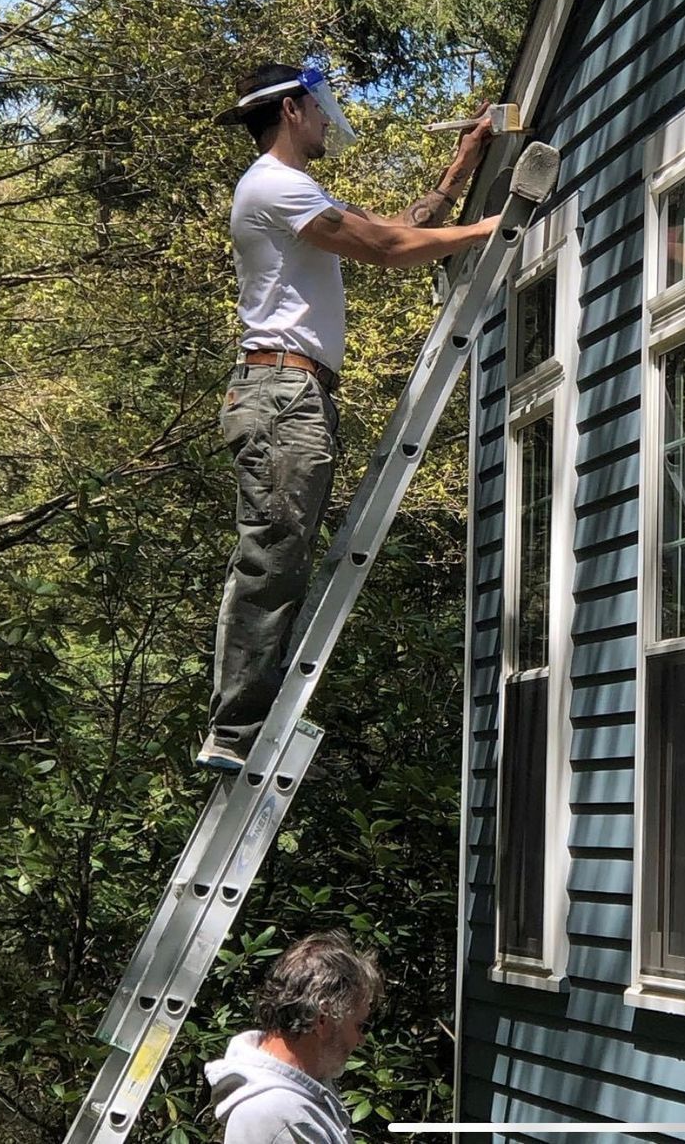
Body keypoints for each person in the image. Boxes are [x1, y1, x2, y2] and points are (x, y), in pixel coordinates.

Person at [198, 61, 501, 773]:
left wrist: (462, 167)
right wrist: (498, 224)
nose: (330, 119)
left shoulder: (293, 191)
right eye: (323, 108)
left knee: (283, 555)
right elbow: (388, 251)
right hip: (280, 396)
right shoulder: (274, 186)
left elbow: (391, 228)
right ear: (293, 109)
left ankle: (241, 722)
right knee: (271, 557)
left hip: (290, 396)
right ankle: (235, 730)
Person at [204, 930, 384, 1144]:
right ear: (323, 1019)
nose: (361, 1040)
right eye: (360, 1026)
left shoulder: (306, 1094)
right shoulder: (269, 1116)